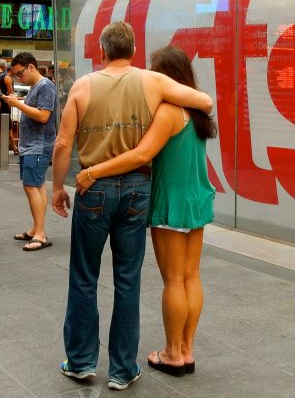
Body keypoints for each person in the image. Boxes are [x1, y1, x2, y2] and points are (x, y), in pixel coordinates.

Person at [51, 22, 213, 391]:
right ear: (134, 50)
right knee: (129, 280)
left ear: (102, 51)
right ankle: (124, 369)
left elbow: (62, 144)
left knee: (84, 276)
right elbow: (204, 102)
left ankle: (80, 362)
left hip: (94, 188)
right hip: (139, 190)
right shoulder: (151, 83)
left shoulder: (82, 85)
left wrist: (60, 186)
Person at [2, 52, 57, 251]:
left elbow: (43, 116)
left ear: (31, 67)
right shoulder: (37, 86)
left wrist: (18, 104)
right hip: (31, 145)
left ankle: (40, 233)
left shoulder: (45, 86)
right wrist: (19, 102)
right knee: (36, 186)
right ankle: (37, 228)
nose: (19, 78)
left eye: (20, 73)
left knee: (32, 186)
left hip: (38, 145)